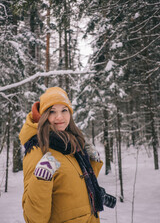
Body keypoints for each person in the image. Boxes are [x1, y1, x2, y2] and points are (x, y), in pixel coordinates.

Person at [19, 87, 116, 223]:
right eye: (52, 111)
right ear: (43, 116)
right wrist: (41, 179)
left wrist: (92, 161)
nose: (60, 117)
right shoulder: (37, 150)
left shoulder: (72, 144)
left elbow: (72, 187)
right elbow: (34, 218)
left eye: (64, 110)